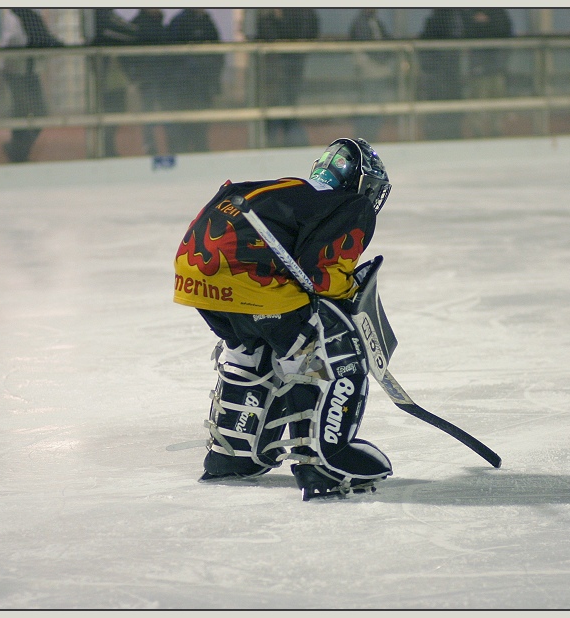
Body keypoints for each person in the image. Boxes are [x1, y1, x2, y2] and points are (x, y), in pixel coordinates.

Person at [173, 137, 393, 500]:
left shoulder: (294, 190)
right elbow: (323, 275)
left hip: (195, 275)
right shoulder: (351, 204)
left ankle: (232, 454)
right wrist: (348, 290)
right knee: (320, 354)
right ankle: (323, 462)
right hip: (247, 277)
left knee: (250, 348)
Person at [1, 9, 63, 163]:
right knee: (21, 112)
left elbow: (44, 37)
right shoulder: (12, 16)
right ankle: (18, 154)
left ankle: (17, 150)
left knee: (40, 113)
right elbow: (14, 41)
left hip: (31, 72)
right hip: (16, 73)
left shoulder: (34, 16)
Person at [256, 8, 319, 147]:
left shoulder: (296, 13)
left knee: (284, 105)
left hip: (285, 66)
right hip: (282, 66)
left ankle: (281, 144)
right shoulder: (275, 14)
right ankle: (286, 143)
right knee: (282, 105)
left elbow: (273, 36)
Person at [165, 8, 224, 153]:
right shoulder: (179, 22)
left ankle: (200, 152)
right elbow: (172, 56)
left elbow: (218, 53)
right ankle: (183, 154)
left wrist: (213, 79)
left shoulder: (207, 22)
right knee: (183, 126)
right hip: (184, 88)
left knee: (201, 126)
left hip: (203, 87)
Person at [93, 9, 138, 157]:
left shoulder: (106, 16)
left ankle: (107, 148)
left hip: (111, 73)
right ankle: (106, 149)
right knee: (111, 111)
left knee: (114, 112)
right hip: (107, 74)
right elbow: (131, 32)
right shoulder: (103, 17)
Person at [462, 8, 512, 138]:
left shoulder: (498, 13)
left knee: (498, 98)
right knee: (478, 98)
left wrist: (486, 22)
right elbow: (467, 32)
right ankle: (477, 130)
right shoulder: (469, 11)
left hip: (497, 66)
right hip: (479, 67)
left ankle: (497, 129)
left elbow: (505, 31)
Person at [348, 8, 395, 143]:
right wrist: (379, 59)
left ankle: (372, 136)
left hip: (378, 71)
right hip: (368, 72)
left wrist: (385, 57)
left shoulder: (377, 22)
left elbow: (387, 40)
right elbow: (366, 46)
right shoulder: (360, 23)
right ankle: (363, 138)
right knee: (367, 104)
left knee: (376, 105)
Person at [418, 8, 465, 141]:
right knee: (444, 110)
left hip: (444, 77)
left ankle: (440, 135)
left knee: (443, 110)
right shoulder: (448, 20)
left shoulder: (438, 21)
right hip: (444, 77)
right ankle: (446, 135)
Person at [129, 8, 171, 155]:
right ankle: (150, 146)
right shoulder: (137, 25)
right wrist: (135, 74)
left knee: (169, 112)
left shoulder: (160, 24)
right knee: (149, 113)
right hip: (148, 79)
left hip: (164, 78)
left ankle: (172, 146)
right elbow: (129, 56)